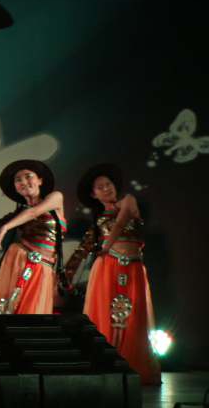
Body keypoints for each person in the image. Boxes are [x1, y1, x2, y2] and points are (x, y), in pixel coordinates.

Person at [65, 163, 160, 384]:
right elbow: (82, 250)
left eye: (108, 184)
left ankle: (131, 364)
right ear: (93, 194)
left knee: (132, 316)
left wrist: (106, 245)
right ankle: (108, 364)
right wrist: (66, 276)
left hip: (132, 266)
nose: (106, 188)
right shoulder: (98, 222)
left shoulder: (128, 201)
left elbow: (121, 222)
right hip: (107, 267)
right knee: (107, 315)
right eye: (100, 187)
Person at [0, 159, 67, 315]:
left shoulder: (55, 198)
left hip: (44, 266)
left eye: (28, 176)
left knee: (33, 314)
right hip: (18, 260)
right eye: (18, 180)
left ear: (40, 180)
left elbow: (33, 212)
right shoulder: (19, 213)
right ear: (15, 187)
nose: (24, 182)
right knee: (8, 309)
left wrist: (6, 227)